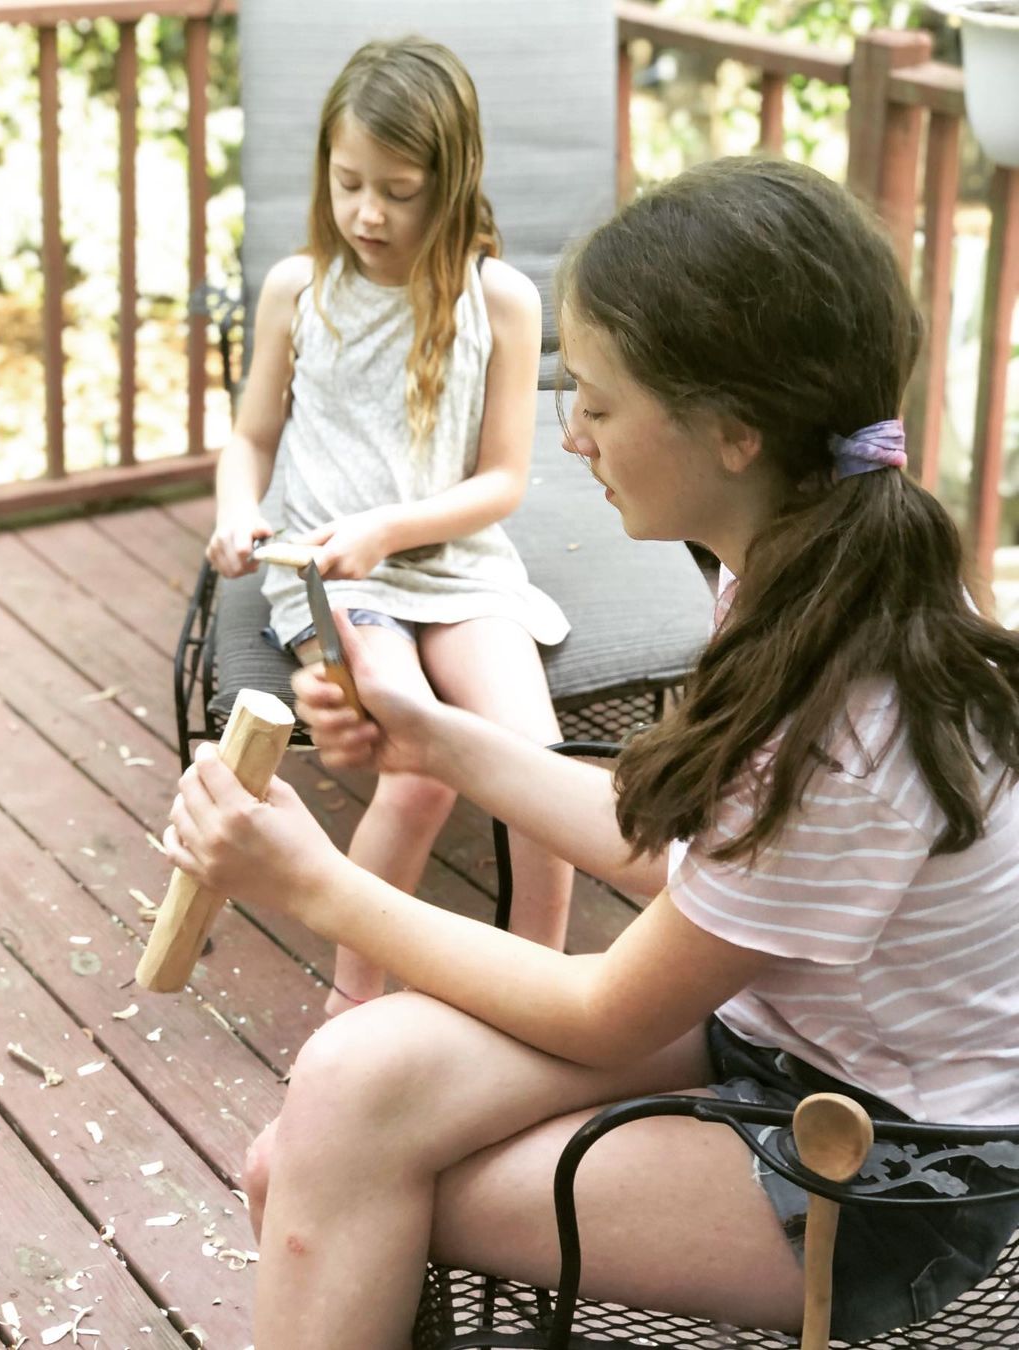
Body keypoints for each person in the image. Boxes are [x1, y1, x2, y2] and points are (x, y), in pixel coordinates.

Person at [165, 156, 1019, 1349]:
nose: (570, 437)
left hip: (884, 1176)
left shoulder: (841, 709)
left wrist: (316, 885)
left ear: (734, 433)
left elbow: (611, 1007)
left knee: (315, 1177)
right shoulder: (800, 572)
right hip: (779, 1030)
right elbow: (690, 850)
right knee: (351, 1091)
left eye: (601, 405)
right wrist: (436, 738)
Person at [206, 36, 573, 1018]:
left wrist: (396, 524)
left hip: (459, 565)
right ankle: (350, 1003)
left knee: (540, 768)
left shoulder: (500, 301)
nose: (367, 212)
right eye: (347, 182)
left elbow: (501, 481)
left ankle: (538, 988)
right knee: (417, 777)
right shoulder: (299, 290)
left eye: (398, 190)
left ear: (450, 184)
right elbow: (250, 439)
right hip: (334, 575)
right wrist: (239, 514)